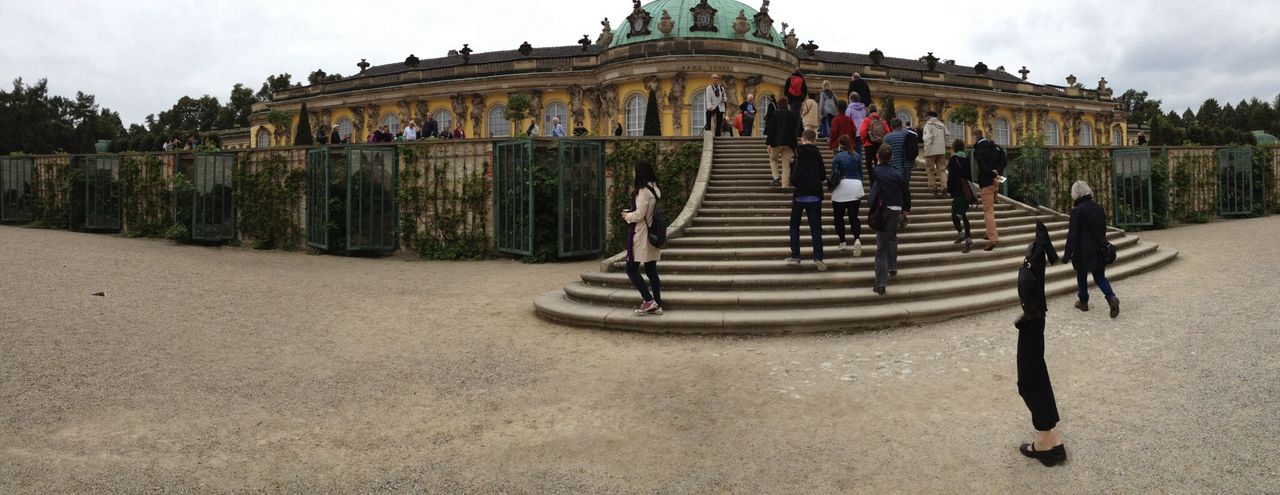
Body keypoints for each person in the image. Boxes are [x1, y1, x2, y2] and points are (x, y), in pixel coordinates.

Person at [1015, 221, 1068, 467]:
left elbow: (1029, 283)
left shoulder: (1034, 260)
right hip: (1035, 319)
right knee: (1036, 373)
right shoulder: (1036, 254)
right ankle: (1052, 437)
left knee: (1029, 379)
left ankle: (1045, 440)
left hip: (1033, 320)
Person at [1062, 180, 1120, 318]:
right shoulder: (1098, 207)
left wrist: (1066, 255)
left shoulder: (1076, 211)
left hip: (1082, 250)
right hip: (1098, 247)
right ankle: (1111, 297)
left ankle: (1083, 302)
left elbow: (1073, 235)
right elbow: (1103, 229)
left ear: (1075, 194)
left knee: (1081, 276)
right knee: (1100, 277)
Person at [621, 160, 664, 316]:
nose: (633, 173)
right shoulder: (654, 189)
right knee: (651, 269)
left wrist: (627, 215)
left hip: (642, 234)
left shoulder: (643, 191)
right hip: (652, 232)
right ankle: (658, 304)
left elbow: (639, 215)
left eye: (635, 170)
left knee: (630, 268)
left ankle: (648, 300)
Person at [867, 144, 906, 294]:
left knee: (881, 249)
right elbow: (905, 192)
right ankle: (892, 266)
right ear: (892, 158)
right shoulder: (897, 173)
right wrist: (905, 207)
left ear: (878, 157)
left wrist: (871, 203)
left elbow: (873, 196)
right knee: (892, 238)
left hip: (883, 211)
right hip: (896, 210)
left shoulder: (877, 172)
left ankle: (881, 283)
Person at [786, 130, 827, 271]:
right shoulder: (818, 155)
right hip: (815, 196)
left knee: (794, 225)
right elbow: (823, 175)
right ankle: (818, 257)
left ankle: (796, 255)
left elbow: (794, 177)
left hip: (800, 196)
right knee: (815, 228)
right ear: (814, 140)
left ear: (803, 139)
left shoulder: (799, 154)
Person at [831, 135, 865, 256]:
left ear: (840, 144)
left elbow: (833, 174)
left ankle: (843, 241)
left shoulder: (838, 157)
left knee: (838, 217)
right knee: (853, 216)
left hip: (842, 186)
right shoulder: (856, 155)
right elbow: (861, 173)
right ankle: (856, 239)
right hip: (855, 185)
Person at [973, 130, 1006, 251]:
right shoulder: (996, 147)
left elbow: (982, 167)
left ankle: (993, 238)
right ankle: (989, 233)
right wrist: (997, 171)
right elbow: (1004, 161)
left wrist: (991, 173)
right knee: (990, 208)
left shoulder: (978, 150)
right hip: (996, 181)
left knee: (988, 210)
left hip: (986, 182)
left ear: (975, 137)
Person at [947, 139, 975, 253]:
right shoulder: (966, 159)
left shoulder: (953, 160)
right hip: (966, 191)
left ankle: (962, 234)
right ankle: (966, 237)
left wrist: (949, 190)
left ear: (954, 147)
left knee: (954, 215)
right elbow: (969, 176)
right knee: (963, 215)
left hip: (958, 191)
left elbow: (951, 177)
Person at [765, 96, 799, 187]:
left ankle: (776, 178)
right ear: (786, 104)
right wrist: (795, 146)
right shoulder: (792, 115)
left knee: (773, 159)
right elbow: (794, 132)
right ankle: (785, 185)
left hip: (777, 142)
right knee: (786, 163)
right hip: (789, 143)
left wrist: (769, 144)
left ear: (779, 104)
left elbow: (772, 129)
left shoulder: (776, 113)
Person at [859, 104, 891, 182]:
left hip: (868, 144)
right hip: (880, 144)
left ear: (869, 111)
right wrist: (882, 140)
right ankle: (879, 179)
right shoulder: (882, 121)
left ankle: (872, 180)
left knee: (869, 164)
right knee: (878, 163)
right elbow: (888, 132)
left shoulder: (867, 120)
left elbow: (863, 132)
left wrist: (863, 141)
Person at [921, 111, 950, 196]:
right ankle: (944, 186)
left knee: (930, 169)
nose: (925, 118)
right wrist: (944, 145)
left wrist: (926, 149)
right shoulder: (941, 124)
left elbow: (927, 138)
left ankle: (933, 187)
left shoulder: (928, 125)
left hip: (931, 150)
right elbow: (947, 136)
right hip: (941, 150)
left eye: (926, 116)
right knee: (942, 169)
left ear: (929, 116)